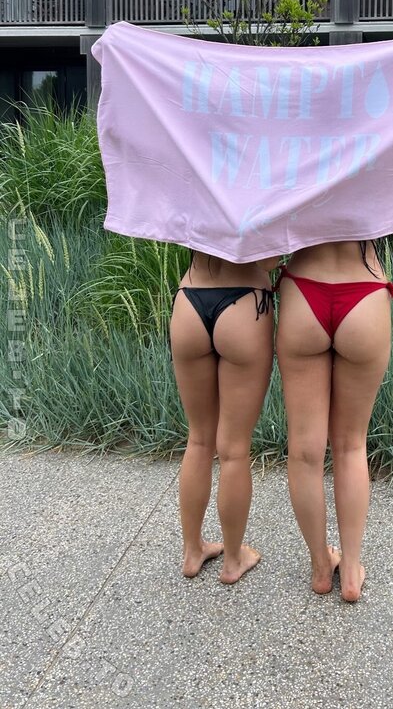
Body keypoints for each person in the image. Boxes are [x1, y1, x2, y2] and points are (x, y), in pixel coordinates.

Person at [275, 240, 393, 602]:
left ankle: (320, 567)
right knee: (351, 445)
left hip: (304, 290)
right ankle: (350, 571)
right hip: (364, 291)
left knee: (304, 451)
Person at [169, 249, 279, 583]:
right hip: (244, 304)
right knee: (234, 449)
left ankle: (192, 551)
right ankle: (233, 559)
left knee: (199, 440)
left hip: (190, 300)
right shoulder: (250, 204)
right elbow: (269, 261)